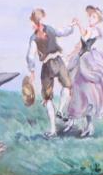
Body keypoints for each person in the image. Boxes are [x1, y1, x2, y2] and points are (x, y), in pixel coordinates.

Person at [62, 5, 103, 136]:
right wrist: (70, 55)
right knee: (75, 90)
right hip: (80, 60)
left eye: (94, 17)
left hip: (88, 62)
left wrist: (79, 25)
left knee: (89, 93)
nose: (91, 18)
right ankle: (72, 121)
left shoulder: (95, 31)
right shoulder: (89, 30)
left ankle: (89, 126)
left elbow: (85, 38)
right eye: (90, 16)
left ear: (98, 20)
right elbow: (81, 43)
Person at [25, 8, 75, 136]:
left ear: (34, 21)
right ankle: (60, 111)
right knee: (66, 86)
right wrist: (71, 27)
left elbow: (30, 56)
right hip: (57, 62)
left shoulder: (34, 37)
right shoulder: (49, 31)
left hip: (48, 65)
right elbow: (63, 32)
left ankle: (53, 129)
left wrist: (32, 71)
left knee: (48, 97)